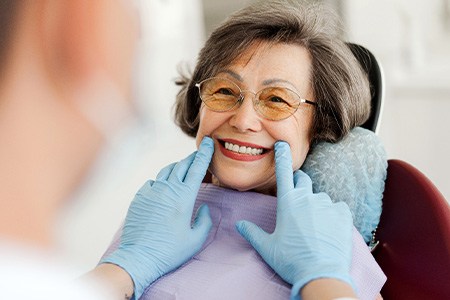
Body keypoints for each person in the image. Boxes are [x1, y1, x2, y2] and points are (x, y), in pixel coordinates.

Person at [0, 1, 378, 300]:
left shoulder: (327, 239)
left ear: (321, 124)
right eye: (224, 91)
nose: (243, 119)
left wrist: (323, 283)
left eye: (277, 99)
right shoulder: (158, 215)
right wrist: (124, 268)